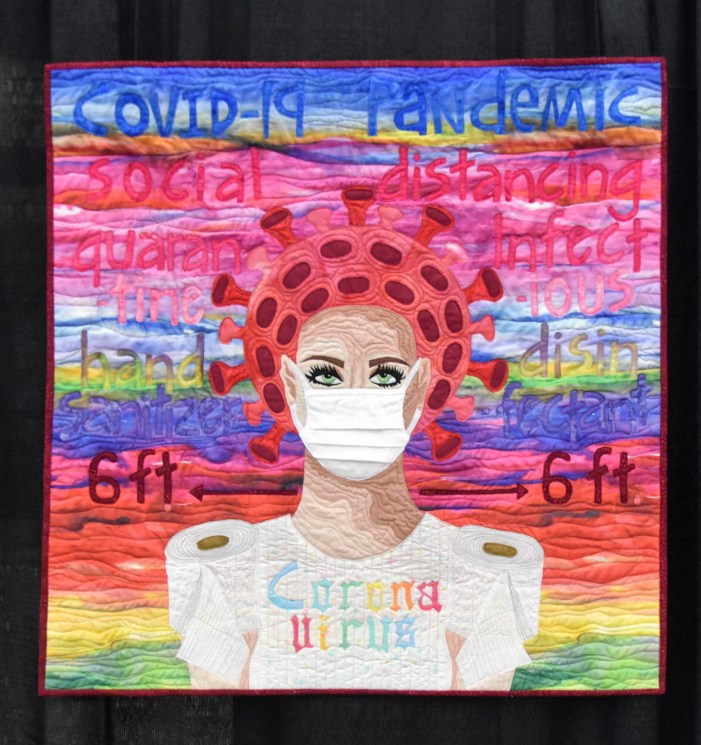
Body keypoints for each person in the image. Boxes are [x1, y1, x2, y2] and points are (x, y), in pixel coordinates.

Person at [166, 187, 543, 691]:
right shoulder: (227, 570)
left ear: (419, 390)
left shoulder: (483, 572)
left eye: (385, 376)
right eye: (325, 375)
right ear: (290, 388)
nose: (355, 394)